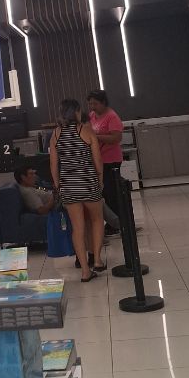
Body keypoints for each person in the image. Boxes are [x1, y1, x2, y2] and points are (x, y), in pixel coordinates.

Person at [49, 99, 105, 282]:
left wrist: (58, 185)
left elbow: (53, 165)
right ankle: (97, 260)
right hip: (88, 183)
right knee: (97, 220)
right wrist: (100, 180)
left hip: (69, 187)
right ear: (77, 112)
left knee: (77, 228)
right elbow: (98, 161)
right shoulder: (86, 131)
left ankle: (85, 271)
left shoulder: (56, 134)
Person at [88, 90, 124, 229]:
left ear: (103, 102)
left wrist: (96, 137)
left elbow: (116, 138)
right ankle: (111, 222)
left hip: (111, 160)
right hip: (99, 160)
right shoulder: (92, 116)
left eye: (95, 104)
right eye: (90, 104)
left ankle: (117, 223)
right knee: (103, 192)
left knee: (111, 192)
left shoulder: (112, 117)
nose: (92, 107)